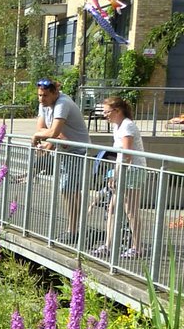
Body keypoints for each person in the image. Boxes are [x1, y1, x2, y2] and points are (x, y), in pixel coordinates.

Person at [31, 79, 91, 243]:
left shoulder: (62, 103)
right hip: (63, 149)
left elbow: (52, 131)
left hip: (76, 151)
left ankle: (73, 231)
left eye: (45, 96)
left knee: (69, 191)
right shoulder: (44, 104)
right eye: (39, 95)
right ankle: (74, 228)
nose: (41, 99)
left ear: (55, 93)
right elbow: (43, 129)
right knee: (67, 191)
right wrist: (49, 139)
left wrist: (44, 136)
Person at [91, 96, 145, 260]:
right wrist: (112, 174)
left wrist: (115, 175)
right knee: (112, 208)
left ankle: (137, 247)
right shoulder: (117, 126)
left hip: (132, 171)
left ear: (117, 111)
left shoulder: (127, 125)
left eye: (107, 112)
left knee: (131, 210)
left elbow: (128, 155)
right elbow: (118, 155)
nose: (105, 115)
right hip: (122, 170)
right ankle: (108, 245)